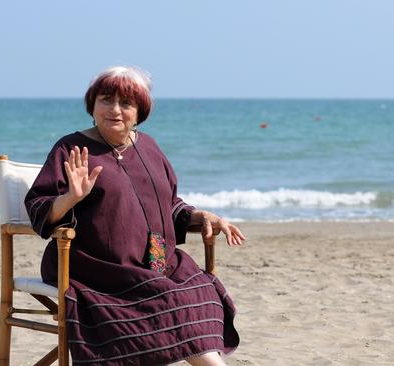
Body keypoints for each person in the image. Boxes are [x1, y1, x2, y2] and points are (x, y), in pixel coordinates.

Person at [25, 66, 244, 365]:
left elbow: (169, 204)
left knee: (198, 291)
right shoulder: (70, 148)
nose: (115, 110)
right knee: (169, 300)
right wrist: (70, 198)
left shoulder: (150, 146)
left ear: (140, 111)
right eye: (106, 99)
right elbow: (39, 205)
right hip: (94, 268)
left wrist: (201, 216)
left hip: (156, 260)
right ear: (92, 104)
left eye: (126, 103)